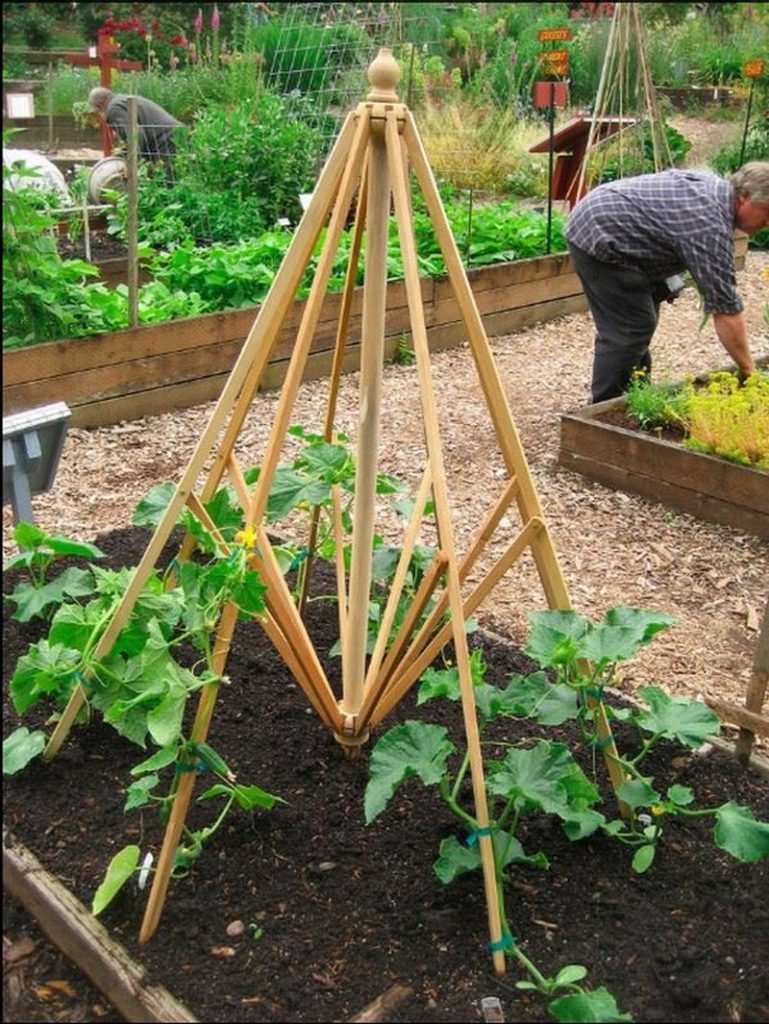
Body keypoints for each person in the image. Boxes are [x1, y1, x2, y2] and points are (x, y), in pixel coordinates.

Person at [565, 161, 769, 403]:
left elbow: (668, 224)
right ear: (744, 197)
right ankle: (602, 410)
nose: (768, 223)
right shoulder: (709, 221)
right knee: (631, 328)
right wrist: (748, 371)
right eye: (768, 211)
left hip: (616, 227)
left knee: (639, 322)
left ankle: (636, 398)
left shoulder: (715, 194)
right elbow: (725, 308)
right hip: (600, 233)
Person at [88, 86, 181, 164]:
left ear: (100, 106)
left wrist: (132, 165)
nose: (100, 116)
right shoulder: (121, 100)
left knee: (165, 181)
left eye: (97, 112)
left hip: (166, 140)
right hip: (175, 135)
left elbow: (136, 136)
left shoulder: (113, 109)